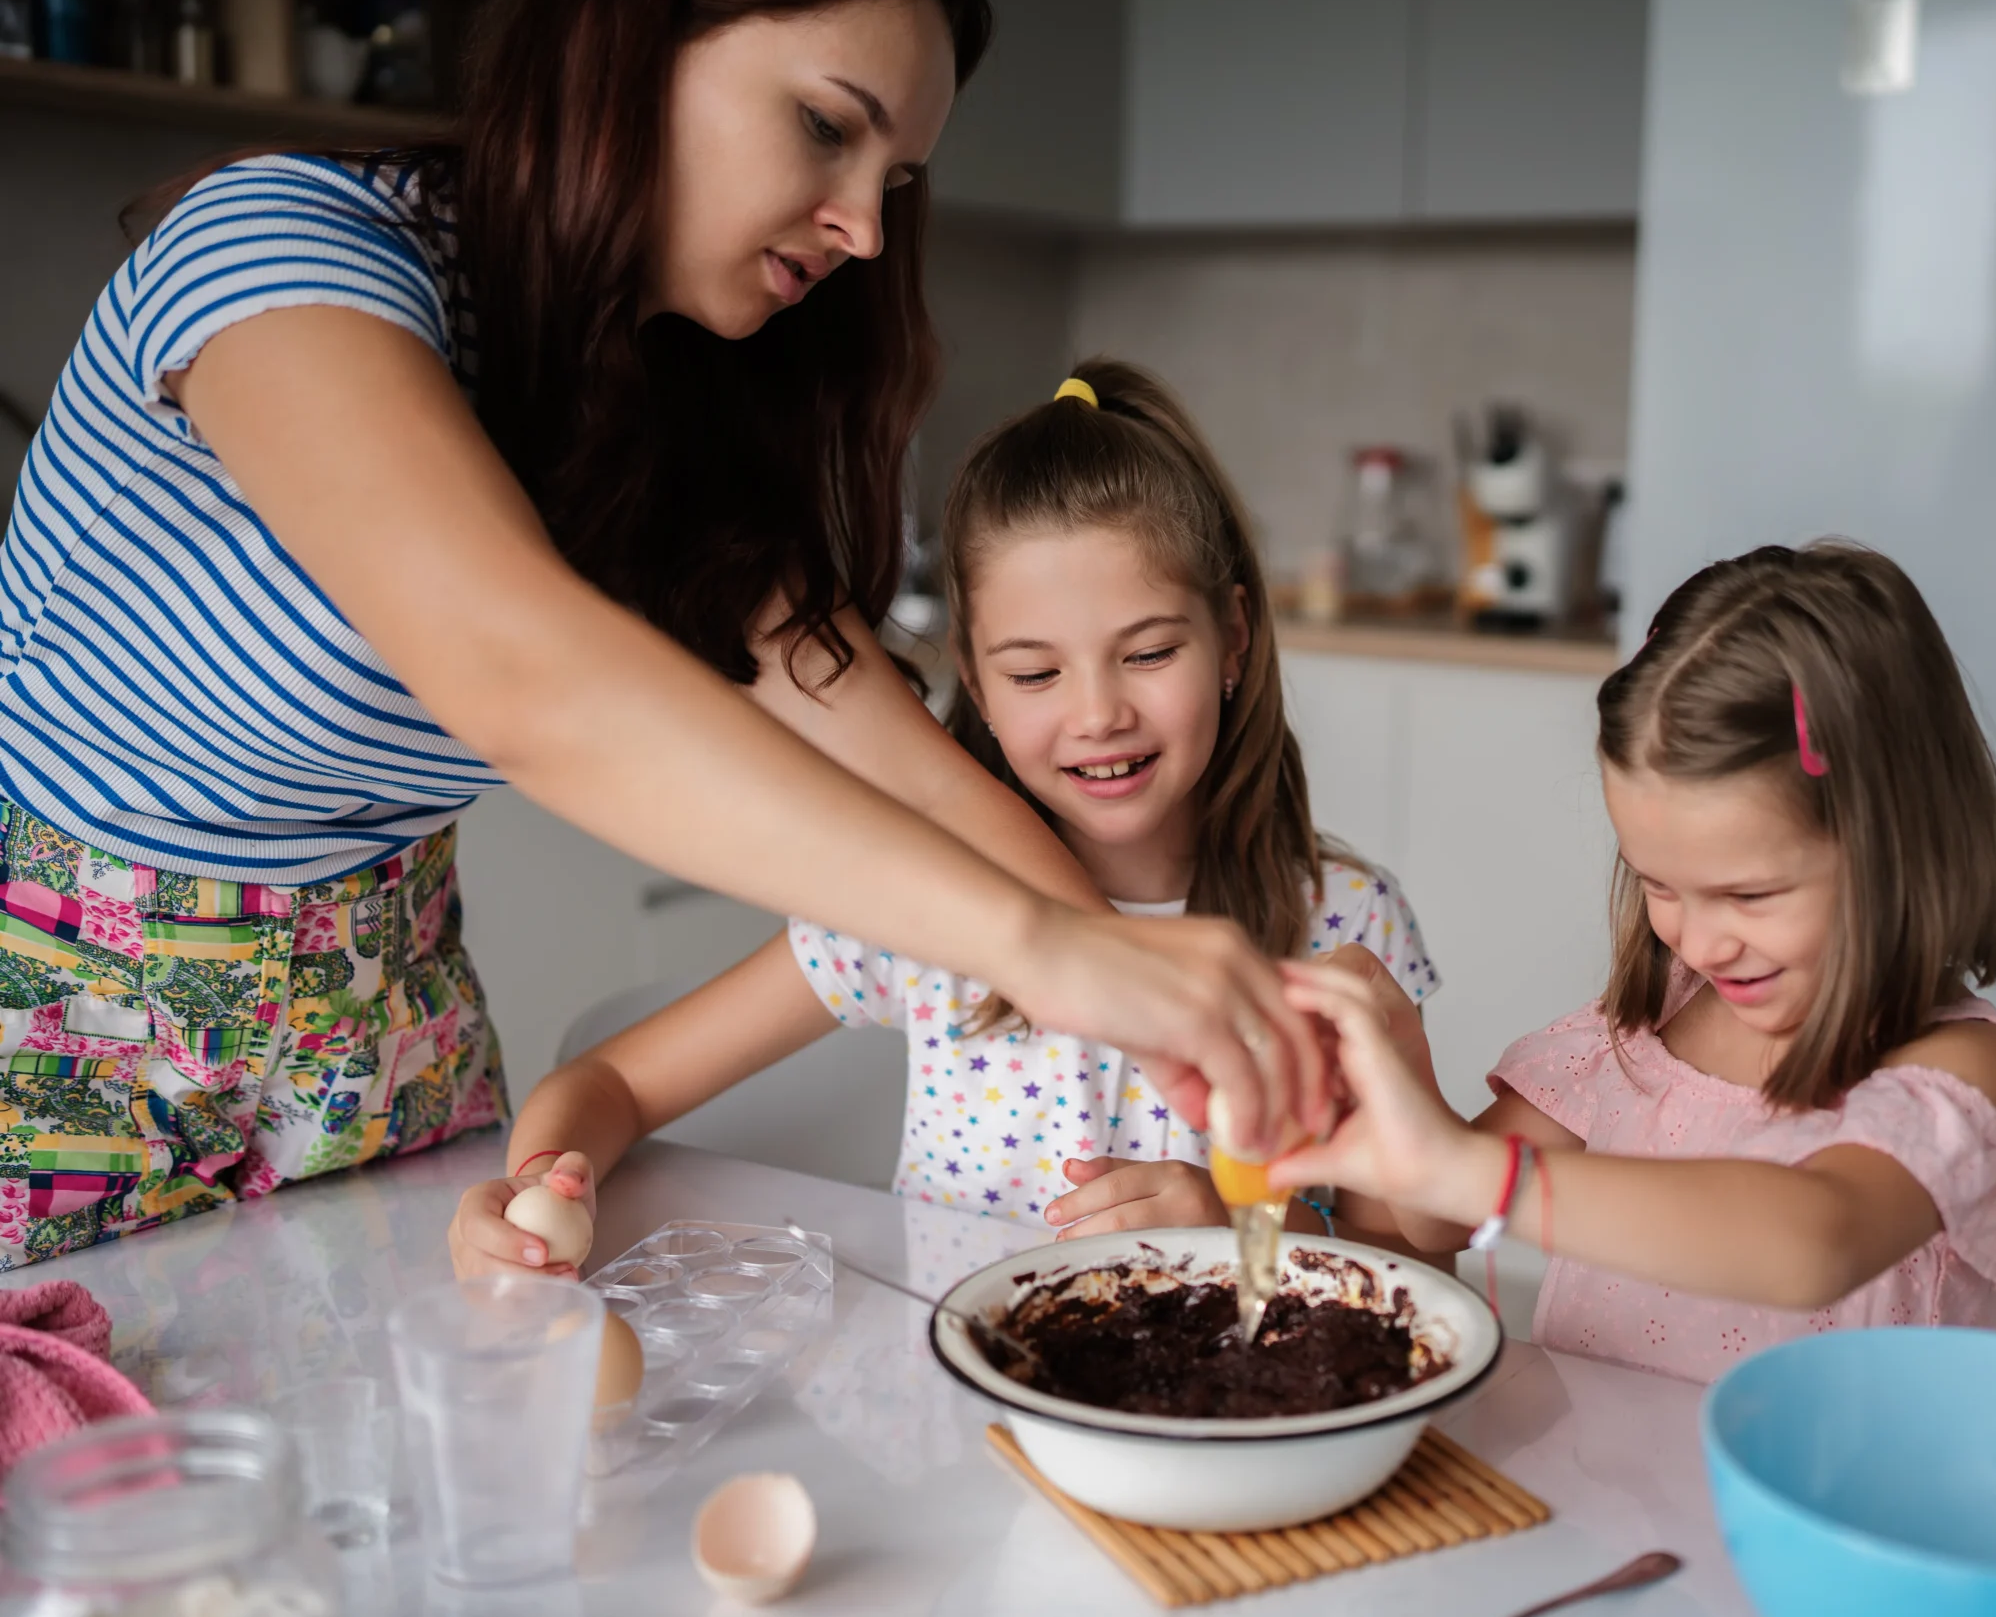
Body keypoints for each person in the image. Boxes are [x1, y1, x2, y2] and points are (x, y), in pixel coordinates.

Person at [0, 0, 1319, 1269]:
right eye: (826, 124)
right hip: (60, 1029)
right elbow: (525, 682)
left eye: (896, 180)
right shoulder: (278, 251)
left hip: (379, 1037)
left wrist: (1182, 1034)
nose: (864, 225)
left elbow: (917, 777)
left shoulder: (647, 422)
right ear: (627, 45)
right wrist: (1041, 945)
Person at [452, 362, 1438, 1273]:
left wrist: (1233, 1228)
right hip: (953, 1421)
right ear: (974, 678)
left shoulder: (1342, 923)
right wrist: (545, 1183)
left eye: (1146, 654)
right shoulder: (924, 914)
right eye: (1035, 672)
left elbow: (1417, 1259)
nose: (1098, 713)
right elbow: (612, 1084)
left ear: (1231, 638)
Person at [1269, 542, 1996, 1384]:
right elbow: (1438, 1224)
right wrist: (1394, 1056)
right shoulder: (1651, 1028)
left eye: (1750, 895)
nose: (1702, 941)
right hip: (1606, 1500)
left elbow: (1816, 1241)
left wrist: (1483, 1176)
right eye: (1660, 884)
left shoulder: (1963, 1071)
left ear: (1900, 848)